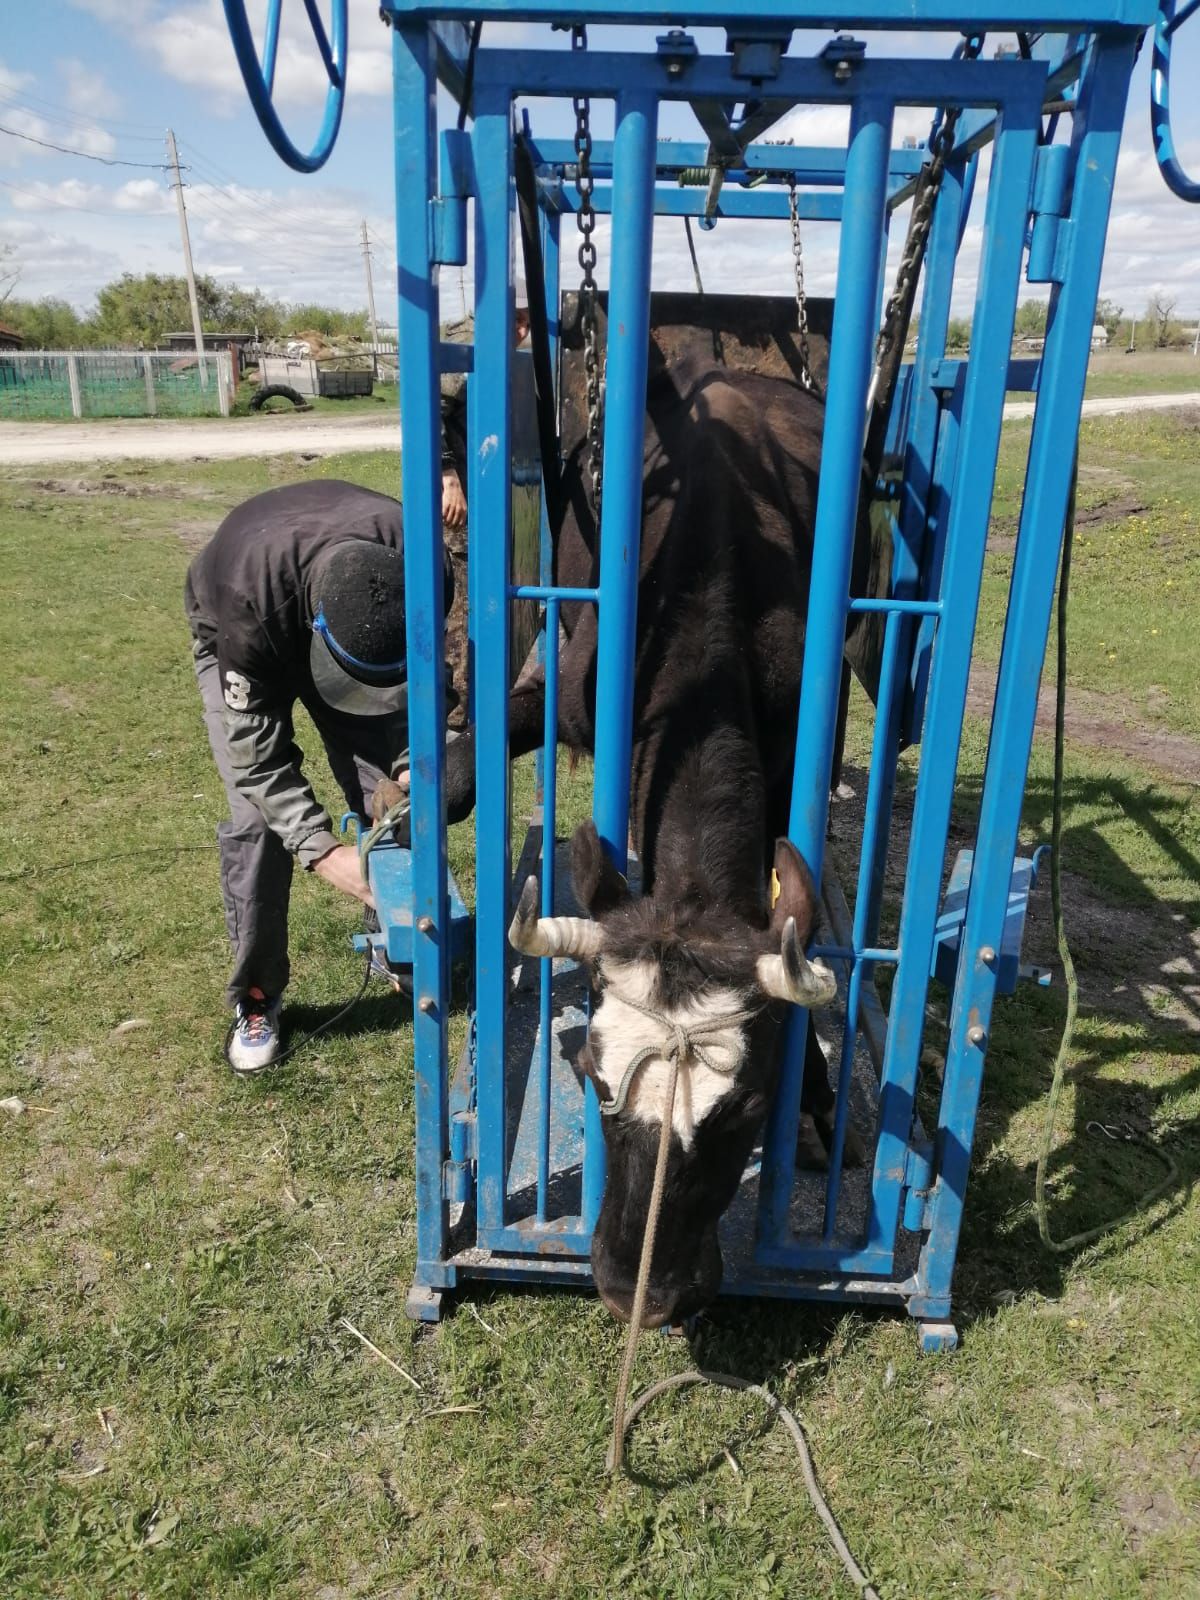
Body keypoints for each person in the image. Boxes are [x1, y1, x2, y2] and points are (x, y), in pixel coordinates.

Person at [185, 479, 454, 1076]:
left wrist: (410, 757)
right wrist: (324, 852)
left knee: (393, 791)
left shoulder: (424, 565)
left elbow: (437, 678)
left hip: (328, 606)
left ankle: (402, 941)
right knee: (259, 825)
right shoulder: (248, 604)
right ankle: (257, 997)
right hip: (235, 629)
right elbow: (258, 759)